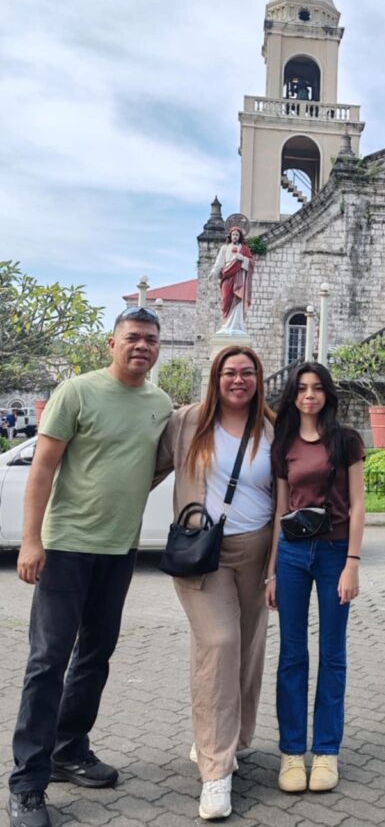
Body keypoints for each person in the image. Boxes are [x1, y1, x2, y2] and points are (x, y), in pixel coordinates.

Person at [7, 307, 171, 827]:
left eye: (150, 339)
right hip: (66, 548)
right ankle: (27, 784)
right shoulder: (77, 392)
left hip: (119, 550)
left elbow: (148, 467)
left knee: (95, 655)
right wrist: (31, 542)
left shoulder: (160, 403)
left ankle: (69, 749)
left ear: (158, 348)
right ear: (112, 343)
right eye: (132, 338)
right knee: (47, 661)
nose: (141, 346)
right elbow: (43, 468)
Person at [154, 345, 275, 821]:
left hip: (258, 550)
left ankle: (229, 739)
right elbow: (144, 468)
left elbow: (290, 491)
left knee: (248, 647)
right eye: (230, 372)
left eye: (247, 372)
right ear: (215, 377)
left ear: (258, 379)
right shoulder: (187, 422)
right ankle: (216, 771)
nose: (238, 380)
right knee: (220, 643)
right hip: (201, 553)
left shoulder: (271, 428)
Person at [266, 362, 365, 795]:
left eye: (317, 388)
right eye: (302, 388)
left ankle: (325, 751)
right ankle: (291, 753)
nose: (310, 395)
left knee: (332, 654)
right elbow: (280, 509)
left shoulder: (346, 441)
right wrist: (270, 570)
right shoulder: (283, 443)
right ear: (293, 395)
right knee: (291, 655)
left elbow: (359, 505)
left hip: (332, 555)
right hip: (291, 555)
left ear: (327, 394)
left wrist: (352, 562)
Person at [210, 227, 255, 335]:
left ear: (240, 237)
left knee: (237, 298)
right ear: (230, 236)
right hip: (227, 275)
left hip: (238, 277)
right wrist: (214, 272)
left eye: (237, 235)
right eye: (233, 234)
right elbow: (219, 262)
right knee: (226, 299)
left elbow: (252, 263)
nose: (235, 237)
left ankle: (236, 324)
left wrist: (242, 258)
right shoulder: (225, 248)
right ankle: (226, 323)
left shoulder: (244, 248)